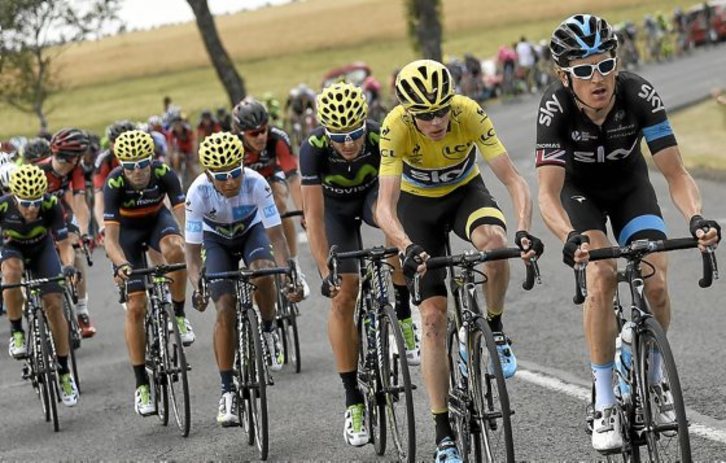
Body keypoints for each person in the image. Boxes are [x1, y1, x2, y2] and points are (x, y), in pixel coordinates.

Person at [537, 14, 722, 452]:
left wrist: (696, 218)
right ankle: (604, 399)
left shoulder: (639, 94)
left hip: (630, 189)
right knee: (601, 277)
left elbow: (675, 173)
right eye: (584, 70)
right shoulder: (555, 109)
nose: (597, 78)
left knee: (656, 281)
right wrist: (569, 236)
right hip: (580, 195)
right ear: (564, 76)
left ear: (616, 64)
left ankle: (655, 377)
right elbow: (547, 193)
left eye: (605, 65)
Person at [376, 59, 542, 461]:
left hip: (466, 193)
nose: (436, 121)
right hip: (418, 209)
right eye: (425, 115)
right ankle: (443, 434)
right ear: (409, 113)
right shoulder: (395, 126)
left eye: (442, 110)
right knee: (433, 319)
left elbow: (514, 179)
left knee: (495, 244)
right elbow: (384, 206)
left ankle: (495, 329)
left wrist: (523, 229)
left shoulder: (468, 112)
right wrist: (405, 245)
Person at [300, 82, 421, 447]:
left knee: (394, 220)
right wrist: (325, 272)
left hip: (372, 200)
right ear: (326, 132)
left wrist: (400, 246)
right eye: (340, 137)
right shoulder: (313, 149)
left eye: (354, 134)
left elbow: (393, 199)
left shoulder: (378, 136)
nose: (349, 143)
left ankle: (403, 312)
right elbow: (313, 218)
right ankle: (353, 399)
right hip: (335, 212)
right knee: (343, 295)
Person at [184, 132, 301, 426]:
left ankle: (269, 328)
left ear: (242, 165)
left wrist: (288, 274)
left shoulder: (257, 183)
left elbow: (277, 237)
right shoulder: (197, 193)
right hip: (216, 241)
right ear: (208, 175)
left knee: (264, 269)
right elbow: (192, 254)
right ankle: (227, 390)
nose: (230, 181)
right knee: (224, 307)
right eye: (221, 176)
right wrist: (197, 285)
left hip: (251, 232)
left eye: (235, 172)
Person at [102, 130, 193, 416]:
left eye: (143, 164)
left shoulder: (164, 173)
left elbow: (184, 217)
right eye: (130, 166)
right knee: (136, 306)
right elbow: (110, 240)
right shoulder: (114, 183)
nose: (138, 171)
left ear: (151, 160)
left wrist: (196, 249)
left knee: (176, 249)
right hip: (126, 235)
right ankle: (141, 383)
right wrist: (121, 264)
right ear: (121, 164)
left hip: (156, 222)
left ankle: (178, 314)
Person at [2, 164, 79, 406]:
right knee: (11, 273)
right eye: (26, 203)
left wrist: (68, 266)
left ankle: (64, 371)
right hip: (12, 249)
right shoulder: (3, 206)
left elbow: (64, 244)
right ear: (15, 198)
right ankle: (16, 330)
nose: (32, 208)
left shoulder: (51, 204)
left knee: (54, 304)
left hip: (42, 250)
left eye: (36, 202)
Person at [232, 98, 310, 297]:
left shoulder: (277, 138)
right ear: (242, 134)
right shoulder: (233, 145)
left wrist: (304, 212)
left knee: (280, 204)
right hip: (244, 185)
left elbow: (293, 178)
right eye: (254, 133)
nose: (260, 137)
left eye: (263, 130)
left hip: (271, 176)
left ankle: (293, 265)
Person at [44, 128, 96, 338]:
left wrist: (83, 233)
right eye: (78, 156)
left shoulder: (76, 170)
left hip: (62, 214)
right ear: (70, 157)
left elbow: (80, 203)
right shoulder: (39, 170)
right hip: (39, 218)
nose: (80, 160)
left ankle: (82, 310)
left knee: (75, 249)